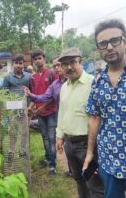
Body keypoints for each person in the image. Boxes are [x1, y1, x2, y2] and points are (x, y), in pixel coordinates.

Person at [83, 19, 126, 198]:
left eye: (115, 40)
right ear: (98, 48)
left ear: (124, 40)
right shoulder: (97, 82)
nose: (109, 47)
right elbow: (94, 119)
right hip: (110, 158)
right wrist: (90, 153)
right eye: (103, 43)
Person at [56, 47, 104, 198]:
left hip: (88, 144)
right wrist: (59, 135)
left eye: (73, 62)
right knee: (79, 179)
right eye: (65, 64)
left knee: (95, 184)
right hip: (69, 144)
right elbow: (62, 112)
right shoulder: (64, 87)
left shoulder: (93, 84)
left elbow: (100, 116)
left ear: (81, 62)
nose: (69, 67)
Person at [29, 49, 58, 176]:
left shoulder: (52, 73)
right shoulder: (33, 77)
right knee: (44, 137)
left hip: (51, 111)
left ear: (44, 59)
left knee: (52, 138)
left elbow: (54, 95)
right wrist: (31, 107)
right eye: (35, 59)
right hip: (40, 114)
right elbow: (34, 96)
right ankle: (47, 159)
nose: (37, 61)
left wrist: (41, 108)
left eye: (39, 58)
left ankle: (53, 165)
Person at [2, 53, 31, 160]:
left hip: (25, 110)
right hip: (12, 110)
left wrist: (30, 106)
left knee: (24, 131)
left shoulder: (28, 76)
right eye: (16, 63)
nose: (18, 65)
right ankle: (11, 152)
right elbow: (3, 93)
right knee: (12, 131)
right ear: (13, 64)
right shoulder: (8, 77)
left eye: (21, 63)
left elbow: (32, 92)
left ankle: (23, 152)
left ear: (23, 64)